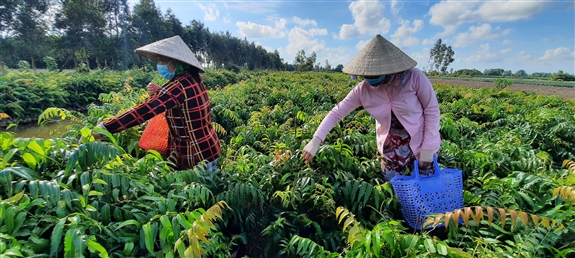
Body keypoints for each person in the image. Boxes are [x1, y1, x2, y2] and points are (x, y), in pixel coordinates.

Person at [302, 34, 441, 181]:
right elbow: (336, 113)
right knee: (396, 193)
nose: (371, 81)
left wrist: (428, 148)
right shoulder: (362, 90)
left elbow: (431, 110)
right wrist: (315, 140)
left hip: (422, 145)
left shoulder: (414, 78)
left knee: (427, 188)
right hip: (391, 153)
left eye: (376, 76)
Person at [90, 35, 221, 174]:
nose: (158, 64)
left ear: (175, 61)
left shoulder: (178, 86)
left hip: (196, 155)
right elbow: (183, 101)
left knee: (197, 192)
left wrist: (105, 127)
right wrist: (161, 91)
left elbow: (144, 110)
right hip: (207, 147)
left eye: (161, 60)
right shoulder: (191, 79)